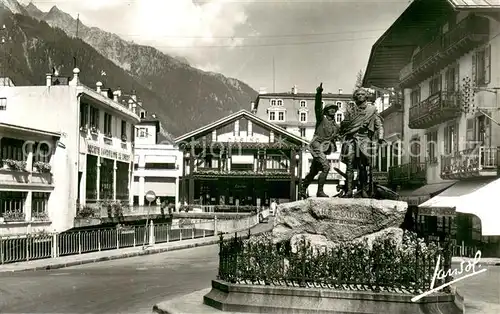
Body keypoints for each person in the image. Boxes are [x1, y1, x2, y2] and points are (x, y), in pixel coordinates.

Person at [339, 88, 384, 198]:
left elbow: (379, 124)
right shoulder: (351, 110)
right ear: (355, 96)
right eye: (357, 94)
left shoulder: (371, 109)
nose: (360, 96)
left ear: (366, 96)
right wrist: (345, 124)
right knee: (349, 165)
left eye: (362, 94)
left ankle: (364, 190)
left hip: (364, 140)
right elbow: (344, 125)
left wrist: (380, 137)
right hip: (351, 138)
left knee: (363, 166)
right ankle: (349, 191)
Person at [299, 83, 340, 199]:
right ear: (326, 111)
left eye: (334, 109)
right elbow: (317, 107)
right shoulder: (321, 119)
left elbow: (340, 135)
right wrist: (318, 94)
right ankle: (320, 192)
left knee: (313, 171)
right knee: (326, 167)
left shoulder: (336, 127)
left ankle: (302, 190)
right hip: (317, 145)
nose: (332, 110)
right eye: (330, 109)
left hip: (324, 148)